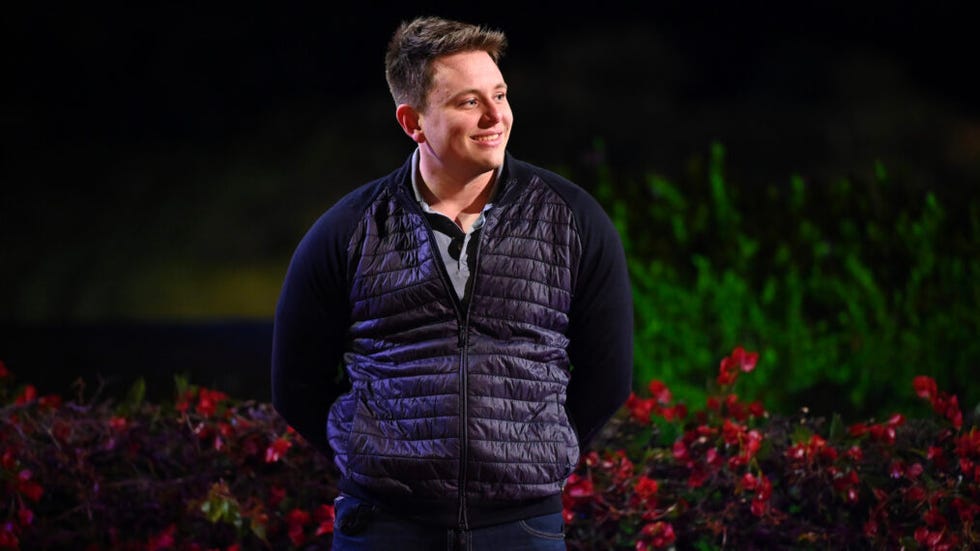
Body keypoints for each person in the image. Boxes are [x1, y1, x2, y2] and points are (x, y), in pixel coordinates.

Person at [271, 15, 633, 550]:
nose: (496, 117)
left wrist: (533, 455)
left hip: (523, 528)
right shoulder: (348, 229)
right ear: (412, 121)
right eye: (469, 102)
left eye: (500, 95)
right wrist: (375, 458)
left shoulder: (573, 219)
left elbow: (609, 376)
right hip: (383, 527)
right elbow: (294, 384)